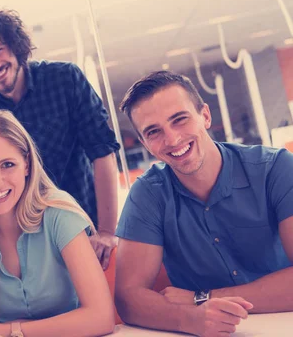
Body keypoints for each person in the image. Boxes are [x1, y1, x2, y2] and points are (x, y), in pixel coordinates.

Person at [115, 71, 293, 336]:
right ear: (144, 143)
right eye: (154, 132)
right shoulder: (147, 194)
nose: (173, 139)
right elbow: (128, 299)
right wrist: (190, 319)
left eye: (180, 119)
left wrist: (200, 298)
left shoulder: (276, 168)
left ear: (205, 116)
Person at [0, 6, 120, 269]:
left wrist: (107, 231)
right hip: (17, 246)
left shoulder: (64, 79)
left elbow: (102, 150)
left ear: (16, 46)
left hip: (83, 230)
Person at [0, 109, 115, 337]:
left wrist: (10, 331)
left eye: (7, 165)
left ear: (26, 164)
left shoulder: (58, 214)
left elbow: (101, 318)